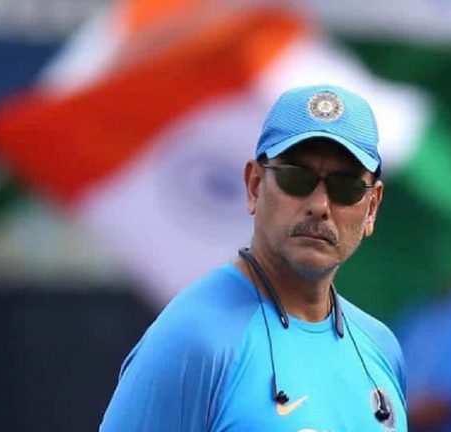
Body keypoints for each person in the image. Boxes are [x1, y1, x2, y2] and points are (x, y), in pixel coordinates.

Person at [99, 84, 407, 431]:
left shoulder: (380, 347)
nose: (319, 205)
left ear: (372, 208)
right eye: (296, 178)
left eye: (345, 187)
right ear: (254, 185)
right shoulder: (194, 339)